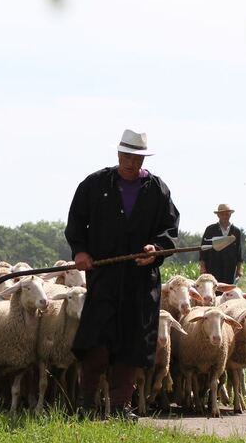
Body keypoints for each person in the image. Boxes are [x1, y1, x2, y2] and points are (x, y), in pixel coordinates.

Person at [65, 129, 181, 420]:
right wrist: (80, 251)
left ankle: (120, 406)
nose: (131, 162)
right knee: (97, 341)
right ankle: (87, 404)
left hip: (140, 281)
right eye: (126, 155)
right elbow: (77, 221)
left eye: (137, 157)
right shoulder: (94, 185)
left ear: (143, 158)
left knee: (131, 342)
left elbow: (170, 230)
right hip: (104, 276)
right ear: (118, 155)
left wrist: (157, 249)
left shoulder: (157, 189)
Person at [199, 203, 243, 284]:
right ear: (218, 215)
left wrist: (239, 269)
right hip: (213, 266)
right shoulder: (210, 229)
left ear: (230, 215)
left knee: (228, 291)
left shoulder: (236, 231)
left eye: (227, 214)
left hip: (230, 267)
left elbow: (239, 252)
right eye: (222, 214)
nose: (225, 216)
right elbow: (203, 250)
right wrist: (202, 267)